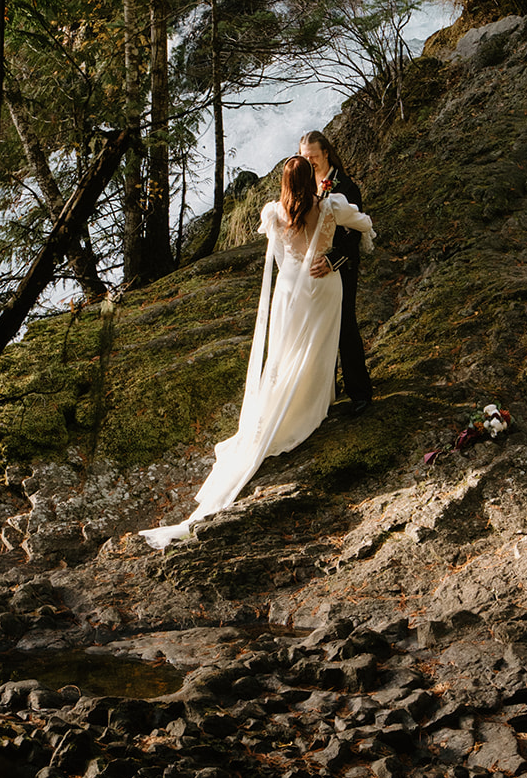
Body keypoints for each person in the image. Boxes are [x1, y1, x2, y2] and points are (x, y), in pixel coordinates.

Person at [139, 155, 375, 550]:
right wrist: (333, 257)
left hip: (290, 291)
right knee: (318, 348)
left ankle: (291, 405)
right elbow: (364, 225)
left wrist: (298, 270)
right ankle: (314, 406)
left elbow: (282, 260)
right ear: (311, 180)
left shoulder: (273, 212)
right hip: (323, 286)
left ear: (284, 184)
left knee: (286, 352)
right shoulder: (331, 205)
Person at [299, 130, 374, 416]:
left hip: (341, 266)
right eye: (304, 158)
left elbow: (353, 232)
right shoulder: (305, 182)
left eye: (313, 157)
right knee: (318, 328)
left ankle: (360, 391)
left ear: (326, 153)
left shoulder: (346, 186)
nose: (309, 162)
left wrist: (332, 260)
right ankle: (326, 391)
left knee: (345, 325)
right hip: (313, 271)